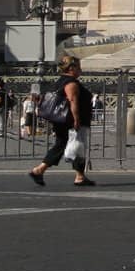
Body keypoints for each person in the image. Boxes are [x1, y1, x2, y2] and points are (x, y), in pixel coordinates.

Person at [28, 55, 95, 187]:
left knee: (61, 145)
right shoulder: (71, 83)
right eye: (78, 67)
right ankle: (78, 176)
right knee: (78, 146)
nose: (80, 70)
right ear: (71, 68)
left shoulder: (60, 81)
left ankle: (41, 170)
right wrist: (76, 119)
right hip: (70, 120)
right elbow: (73, 101)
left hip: (62, 120)